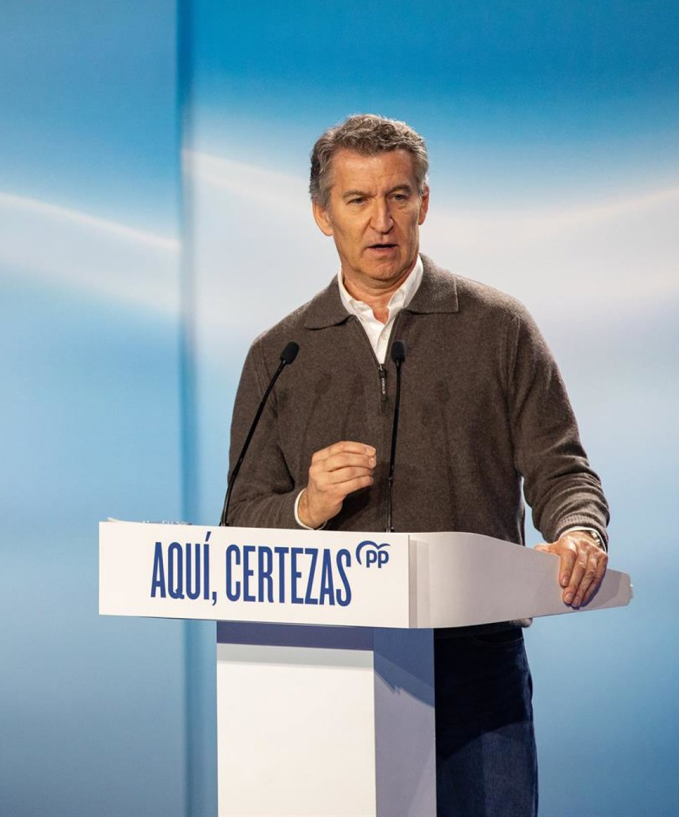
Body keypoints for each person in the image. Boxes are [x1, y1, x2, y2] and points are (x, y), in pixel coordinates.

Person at [225, 114, 610, 817]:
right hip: (334, 665)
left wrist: (579, 531)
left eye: (398, 196)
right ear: (322, 214)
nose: (382, 221)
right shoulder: (281, 355)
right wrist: (306, 507)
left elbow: (563, 471)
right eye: (358, 200)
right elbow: (239, 521)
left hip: (477, 664)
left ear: (423, 203)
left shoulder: (497, 327)